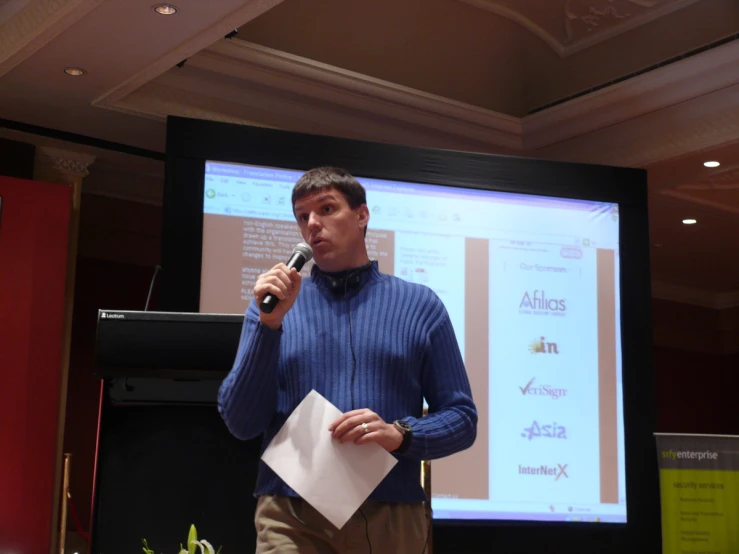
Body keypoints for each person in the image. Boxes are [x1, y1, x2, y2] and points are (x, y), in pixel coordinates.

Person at [218, 166, 477, 553]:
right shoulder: (269, 310)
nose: (313, 225)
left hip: (392, 511)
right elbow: (240, 422)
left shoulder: (421, 305)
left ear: (362, 215)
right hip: (292, 513)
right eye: (303, 217)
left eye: (326, 209)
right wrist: (269, 325)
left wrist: (401, 435)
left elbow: (461, 418)